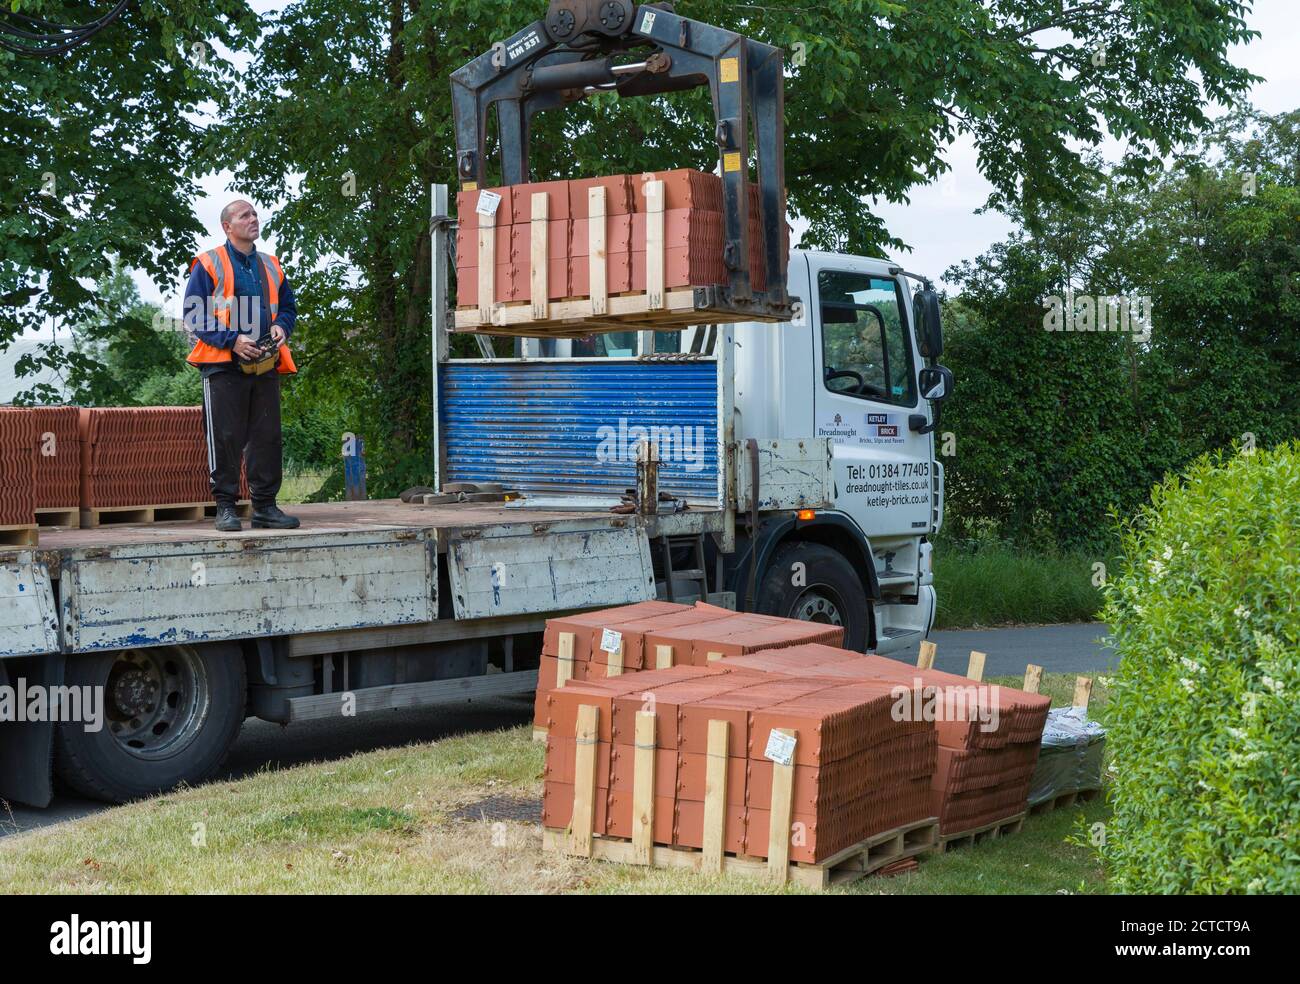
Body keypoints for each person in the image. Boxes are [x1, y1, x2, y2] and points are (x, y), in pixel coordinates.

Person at [183, 199, 301, 532]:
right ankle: (225, 507)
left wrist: (282, 327)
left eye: (254, 214)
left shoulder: (272, 265)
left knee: (267, 436)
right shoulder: (209, 263)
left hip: (264, 363)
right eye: (244, 215)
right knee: (225, 436)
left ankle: (265, 507)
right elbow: (194, 313)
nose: (253, 219)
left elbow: (288, 308)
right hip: (223, 364)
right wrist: (232, 340)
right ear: (227, 226)